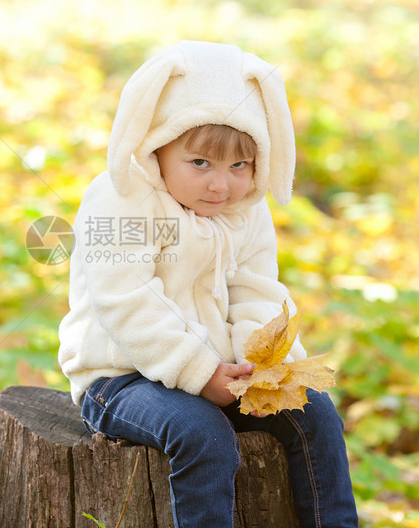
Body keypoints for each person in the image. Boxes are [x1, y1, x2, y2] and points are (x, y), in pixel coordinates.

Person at [58, 40, 358, 527]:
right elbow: (125, 299)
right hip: (122, 376)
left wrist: (260, 367)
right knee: (201, 432)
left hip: (222, 373)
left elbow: (256, 289)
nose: (221, 185)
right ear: (159, 145)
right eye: (200, 163)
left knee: (315, 415)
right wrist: (199, 372)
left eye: (239, 166)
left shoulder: (247, 210)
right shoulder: (122, 198)